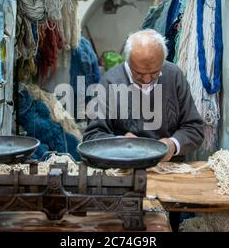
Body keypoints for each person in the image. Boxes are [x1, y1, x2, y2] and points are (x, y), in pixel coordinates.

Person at [83, 29, 204, 162]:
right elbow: (92, 136)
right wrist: (119, 143)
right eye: (139, 73)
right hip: (123, 167)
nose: (147, 79)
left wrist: (173, 144)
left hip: (170, 169)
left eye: (154, 72)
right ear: (128, 61)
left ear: (163, 61)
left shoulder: (174, 76)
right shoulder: (108, 83)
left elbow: (194, 129)